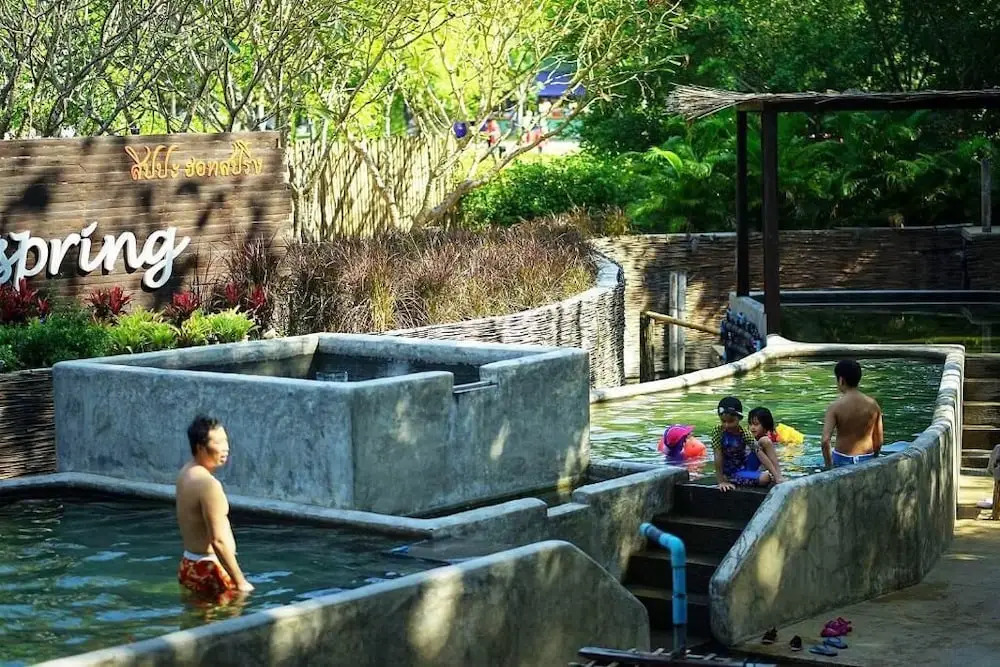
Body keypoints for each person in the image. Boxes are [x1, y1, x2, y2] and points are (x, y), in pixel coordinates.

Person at [176, 416, 254, 602]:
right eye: (218, 442)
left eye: (226, 441)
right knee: (232, 618)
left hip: (189, 564)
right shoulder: (209, 485)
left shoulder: (186, 473)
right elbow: (218, 541)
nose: (225, 448)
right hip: (210, 571)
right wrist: (240, 581)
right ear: (200, 447)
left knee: (197, 618)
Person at [711, 396, 782, 492]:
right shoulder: (718, 431)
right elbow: (717, 456)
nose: (727, 425)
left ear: (739, 418)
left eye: (731, 421)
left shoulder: (744, 433)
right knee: (765, 478)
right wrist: (721, 481)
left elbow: (759, 453)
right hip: (731, 474)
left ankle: (779, 476)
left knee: (765, 441)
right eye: (723, 421)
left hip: (745, 467)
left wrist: (776, 476)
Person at [822, 359, 884, 468]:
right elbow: (878, 441)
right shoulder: (873, 405)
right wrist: (874, 459)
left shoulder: (835, 407)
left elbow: (825, 441)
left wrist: (829, 467)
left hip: (842, 459)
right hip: (867, 458)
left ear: (841, 380)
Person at [747, 407, 785, 485]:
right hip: (747, 471)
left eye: (756, 424)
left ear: (765, 426)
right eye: (750, 424)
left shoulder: (769, 439)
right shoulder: (747, 438)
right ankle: (778, 476)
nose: (752, 427)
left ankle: (778, 476)